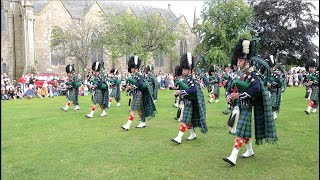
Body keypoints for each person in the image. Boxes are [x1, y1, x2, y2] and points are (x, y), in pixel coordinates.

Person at [223, 38, 277, 166]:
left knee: (240, 131)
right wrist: (229, 96)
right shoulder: (236, 74)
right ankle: (250, 151)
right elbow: (230, 87)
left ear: (247, 61)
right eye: (238, 59)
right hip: (237, 107)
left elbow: (256, 89)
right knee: (244, 132)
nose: (239, 62)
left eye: (241, 60)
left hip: (246, 106)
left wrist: (240, 95)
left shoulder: (253, 74)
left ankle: (233, 156)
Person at [171, 52, 207, 144]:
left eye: (185, 70)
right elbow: (182, 88)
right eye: (183, 70)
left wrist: (181, 92)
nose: (183, 72)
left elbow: (193, 90)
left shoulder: (192, 79)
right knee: (188, 121)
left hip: (190, 103)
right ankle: (193, 134)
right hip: (185, 102)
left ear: (190, 70)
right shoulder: (185, 79)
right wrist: (176, 92)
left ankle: (179, 137)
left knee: (184, 120)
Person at [121, 55, 157, 130]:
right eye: (131, 68)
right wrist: (128, 88)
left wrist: (131, 87)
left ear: (135, 68)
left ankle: (128, 125)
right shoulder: (134, 75)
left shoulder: (138, 74)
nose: (132, 69)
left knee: (133, 109)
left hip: (138, 94)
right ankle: (142, 122)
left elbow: (140, 84)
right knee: (140, 109)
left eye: (133, 68)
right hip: (136, 94)